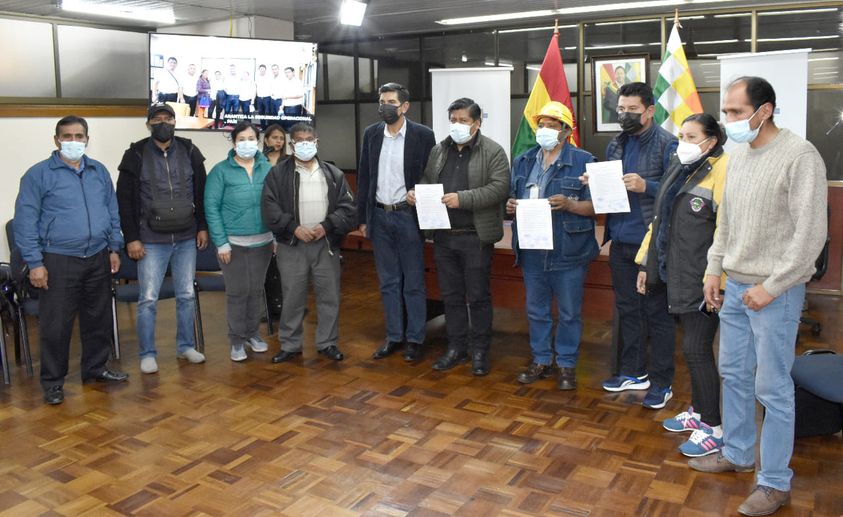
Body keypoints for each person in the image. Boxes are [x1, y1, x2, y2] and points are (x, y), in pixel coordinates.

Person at [689, 77, 827, 517]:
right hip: (735, 286)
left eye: (736, 112)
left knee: (772, 387)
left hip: (775, 293)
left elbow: (810, 236)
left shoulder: (800, 156)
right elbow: (725, 222)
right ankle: (738, 452)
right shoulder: (737, 157)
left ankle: (774, 482)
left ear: (764, 110)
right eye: (726, 111)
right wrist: (714, 268)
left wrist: (774, 285)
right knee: (733, 373)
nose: (728, 119)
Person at [14, 115, 128, 405]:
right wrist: (35, 263)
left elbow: (112, 212)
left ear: (87, 140)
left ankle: (95, 368)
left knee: (98, 318)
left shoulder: (99, 171)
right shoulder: (38, 175)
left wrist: (114, 248)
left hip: (98, 256)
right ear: (57, 140)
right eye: (67, 136)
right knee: (56, 325)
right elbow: (26, 223)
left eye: (79, 136)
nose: (73, 141)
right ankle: (53, 382)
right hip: (58, 259)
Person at [634, 113, 728, 457]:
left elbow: (728, 231)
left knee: (696, 349)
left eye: (691, 137)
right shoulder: (681, 166)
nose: (683, 143)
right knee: (692, 349)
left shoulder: (724, 170)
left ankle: (713, 427)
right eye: (681, 136)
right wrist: (645, 263)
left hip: (703, 279)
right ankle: (699, 412)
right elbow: (659, 220)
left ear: (711, 141)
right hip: (674, 272)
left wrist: (718, 279)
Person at [407, 97, 510, 376]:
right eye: (453, 120)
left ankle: (480, 351)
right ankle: (455, 348)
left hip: (475, 237)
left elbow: (500, 188)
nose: (457, 125)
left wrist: (463, 199)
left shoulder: (493, 151)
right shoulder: (439, 150)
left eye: (463, 120)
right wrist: (416, 193)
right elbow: (428, 180)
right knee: (451, 296)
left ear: (477, 123)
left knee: (478, 297)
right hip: (444, 236)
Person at [506, 102, 598, 390]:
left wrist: (570, 204)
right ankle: (541, 360)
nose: (544, 130)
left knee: (569, 313)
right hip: (532, 250)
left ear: (566, 131)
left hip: (568, 251)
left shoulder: (585, 161)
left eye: (552, 126)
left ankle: (567, 364)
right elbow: (512, 197)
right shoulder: (522, 161)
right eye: (541, 125)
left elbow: (598, 206)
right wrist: (510, 206)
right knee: (537, 311)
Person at [598, 82, 678, 410]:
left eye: (632, 109)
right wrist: (596, 183)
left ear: (649, 111)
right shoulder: (615, 144)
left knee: (657, 315)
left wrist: (647, 186)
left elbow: (678, 192)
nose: (625, 115)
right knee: (628, 310)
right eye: (621, 109)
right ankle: (633, 372)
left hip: (652, 243)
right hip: (620, 240)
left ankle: (662, 382)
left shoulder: (667, 144)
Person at [116, 103, 209, 374]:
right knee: (148, 298)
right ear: (148, 125)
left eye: (167, 118)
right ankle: (147, 353)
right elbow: (124, 200)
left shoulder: (190, 151)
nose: (163, 123)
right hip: (150, 240)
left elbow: (201, 192)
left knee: (186, 294)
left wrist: (202, 227)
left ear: (174, 122)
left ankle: (185, 346)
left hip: (186, 237)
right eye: (157, 119)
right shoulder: (135, 154)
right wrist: (131, 238)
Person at [261, 122, 356, 364]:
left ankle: (327, 342)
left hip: (326, 244)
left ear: (317, 143)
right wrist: (294, 228)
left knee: (329, 296)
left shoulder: (333, 174)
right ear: (292, 145)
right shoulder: (277, 174)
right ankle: (290, 344)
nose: (305, 144)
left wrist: (327, 226)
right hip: (292, 244)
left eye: (309, 140)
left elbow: (348, 209)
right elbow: (269, 209)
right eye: (299, 141)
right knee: (292, 297)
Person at [357, 82, 436, 362]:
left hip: (408, 216)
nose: (385, 107)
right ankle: (393, 336)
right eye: (382, 102)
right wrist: (363, 218)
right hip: (379, 215)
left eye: (391, 102)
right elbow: (365, 176)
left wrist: (421, 196)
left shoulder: (423, 135)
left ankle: (415, 338)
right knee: (388, 282)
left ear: (405, 106)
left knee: (413, 281)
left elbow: (431, 174)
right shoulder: (371, 134)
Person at [204, 121, 274, 362]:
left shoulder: (268, 169)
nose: (247, 143)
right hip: (232, 245)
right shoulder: (220, 171)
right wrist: (221, 242)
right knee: (237, 292)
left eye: (251, 139)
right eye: (241, 139)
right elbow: (211, 207)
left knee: (256, 290)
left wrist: (275, 236)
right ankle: (236, 339)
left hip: (263, 242)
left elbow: (276, 203)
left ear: (258, 141)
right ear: (234, 143)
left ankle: (252, 333)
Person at [255, 64, 273, 129]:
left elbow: (272, 87)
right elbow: (256, 87)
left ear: (265, 70)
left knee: (268, 112)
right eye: (261, 69)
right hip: (259, 98)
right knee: (260, 113)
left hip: (267, 97)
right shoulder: (257, 78)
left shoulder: (269, 77)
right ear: (259, 70)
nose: (262, 70)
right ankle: (262, 127)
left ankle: (269, 127)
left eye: (263, 69)